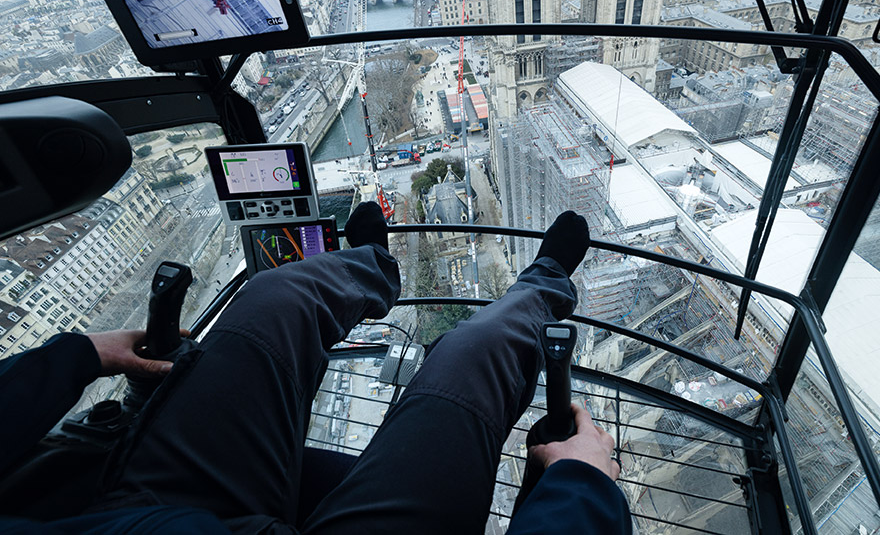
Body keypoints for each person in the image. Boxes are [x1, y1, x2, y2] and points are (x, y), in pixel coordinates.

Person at [0, 205, 631, 534]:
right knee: (469, 359)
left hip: (122, 515)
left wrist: (75, 355)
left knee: (272, 298)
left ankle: (373, 265)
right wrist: (582, 488)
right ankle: (546, 283)